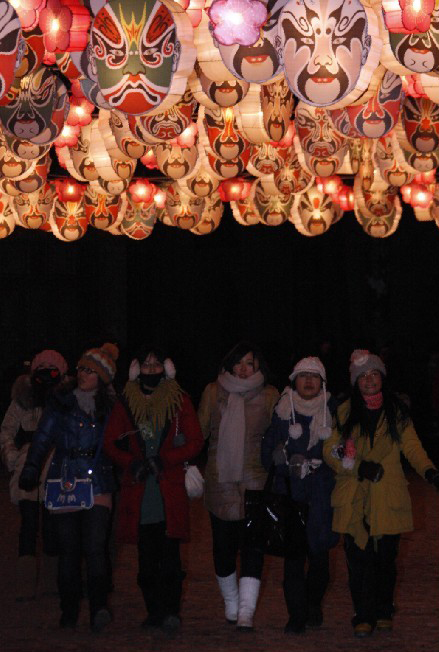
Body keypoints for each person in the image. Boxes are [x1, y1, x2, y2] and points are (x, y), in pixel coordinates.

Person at [323, 349, 439, 639]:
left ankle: (384, 609)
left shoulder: (397, 411)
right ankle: (362, 614)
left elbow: (412, 447)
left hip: (388, 496)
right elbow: (330, 448)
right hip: (355, 497)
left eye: (374, 374)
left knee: (386, 560)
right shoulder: (344, 411)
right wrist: (357, 467)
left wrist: (429, 471)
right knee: (358, 559)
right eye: (363, 376)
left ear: (382, 377)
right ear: (355, 382)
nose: (369, 380)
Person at [103, 346, 203, 636]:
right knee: (146, 560)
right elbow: (110, 443)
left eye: (155, 364)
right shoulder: (126, 403)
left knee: (170, 557)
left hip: (168, 488)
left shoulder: (179, 401)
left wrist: (165, 459)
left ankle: (171, 611)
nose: (150, 369)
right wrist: (130, 462)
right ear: (136, 369)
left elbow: (195, 441)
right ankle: (153, 610)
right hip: (140, 489)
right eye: (144, 364)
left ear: (166, 367)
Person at [19, 343, 118, 633]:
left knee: (96, 547)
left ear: (102, 376)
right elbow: (43, 437)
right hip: (65, 480)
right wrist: (31, 468)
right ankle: (69, 609)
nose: (83, 373)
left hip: (97, 479)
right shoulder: (60, 402)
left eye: (90, 370)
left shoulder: (111, 407)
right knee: (69, 550)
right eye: (81, 368)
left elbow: (122, 441)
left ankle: (99, 606)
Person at [197, 341, 279, 630]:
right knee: (223, 547)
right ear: (230, 363)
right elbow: (200, 432)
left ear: (259, 368)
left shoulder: (270, 395)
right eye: (239, 362)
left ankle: (246, 610)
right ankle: (231, 602)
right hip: (220, 480)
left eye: (250, 363)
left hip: (255, 480)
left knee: (254, 547)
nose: (244, 369)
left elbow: (276, 436)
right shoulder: (212, 391)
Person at [261, 356, 338, 634]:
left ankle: (313, 603)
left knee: (319, 558)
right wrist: (276, 456)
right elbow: (267, 449)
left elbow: (341, 448)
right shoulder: (282, 409)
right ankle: (295, 614)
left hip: (320, 493)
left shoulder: (333, 410)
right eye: (303, 376)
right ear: (294, 380)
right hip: (291, 492)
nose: (308, 381)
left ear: (322, 382)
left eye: (314, 376)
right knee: (293, 559)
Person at [0, 349, 68, 601]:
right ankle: (25, 583)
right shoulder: (22, 397)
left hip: (56, 466)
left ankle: (51, 581)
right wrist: (12, 454)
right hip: (28, 465)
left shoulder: (65, 397)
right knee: (28, 524)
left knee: (52, 527)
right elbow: (6, 430)